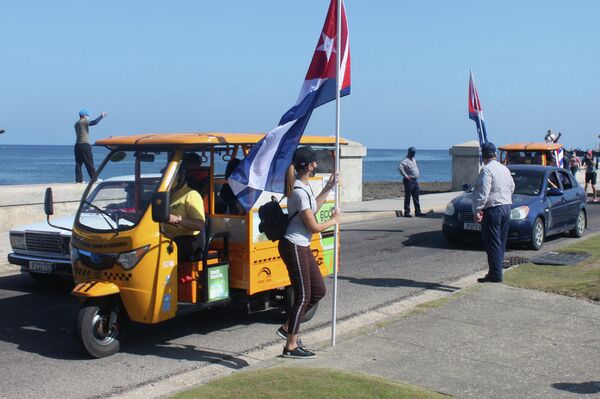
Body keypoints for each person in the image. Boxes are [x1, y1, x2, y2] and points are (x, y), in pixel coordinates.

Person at [276, 146, 340, 359]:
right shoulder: (298, 191)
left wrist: (328, 187)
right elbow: (313, 226)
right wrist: (334, 221)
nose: (317, 164)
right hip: (293, 244)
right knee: (303, 295)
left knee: (318, 291)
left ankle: (287, 327)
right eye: (314, 161)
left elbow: (313, 209)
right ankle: (290, 346)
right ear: (311, 165)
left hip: (301, 245)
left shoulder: (304, 187)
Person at [472, 142, 515, 283]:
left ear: (483, 155)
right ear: (495, 154)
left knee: (492, 243)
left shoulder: (487, 170)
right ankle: (494, 271)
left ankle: (495, 275)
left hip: (493, 209)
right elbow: (512, 186)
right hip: (506, 206)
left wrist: (478, 209)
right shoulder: (504, 169)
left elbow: (483, 191)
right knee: (500, 242)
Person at [161, 163, 206, 262]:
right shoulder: (167, 195)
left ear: (180, 178)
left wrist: (178, 219)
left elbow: (200, 224)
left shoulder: (191, 194)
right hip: (167, 238)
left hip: (187, 240)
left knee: (162, 252)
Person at [74, 109, 107, 183]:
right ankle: (94, 179)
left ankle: (79, 180)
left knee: (78, 163)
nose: (88, 117)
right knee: (89, 162)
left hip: (77, 145)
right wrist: (101, 116)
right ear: (84, 116)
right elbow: (94, 122)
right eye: (88, 115)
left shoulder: (76, 123)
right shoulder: (84, 121)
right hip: (85, 144)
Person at [398, 146, 424, 217]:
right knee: (408, 197)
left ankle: (418, 212)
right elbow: (400, 167)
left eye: (414, 152)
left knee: (416, 196)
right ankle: (407, 212)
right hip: (409, 181)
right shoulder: (405, 160)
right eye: (412, 152)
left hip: (415, 181)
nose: (414, 154)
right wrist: (406, 176)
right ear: (409, 152)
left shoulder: (413, 159)